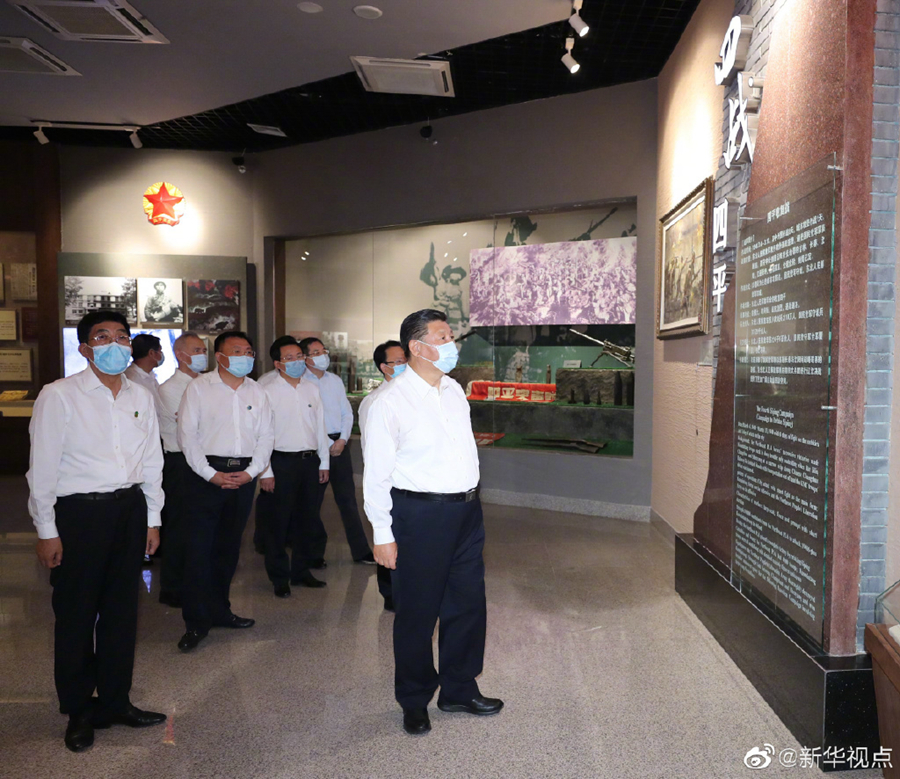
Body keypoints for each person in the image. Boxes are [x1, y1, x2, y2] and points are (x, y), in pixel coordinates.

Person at [27, 309, 166, 752]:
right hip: (79, 515)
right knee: (76, 615)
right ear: (85, 348)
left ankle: (115, 701)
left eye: (122, 336)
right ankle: (78, 710)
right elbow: (42, 468)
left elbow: (152, 460)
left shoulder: (140, 394)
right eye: (102, 337)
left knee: (122, 613)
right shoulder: (59, 395)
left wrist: (153, 518)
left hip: (129, 510)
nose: (115, 344)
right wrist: (46, 529)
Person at [363, 309, 502, 736]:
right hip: (420, 516)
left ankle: (459, 688)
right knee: (417, 613)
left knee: (467, 605)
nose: (451, 344)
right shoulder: (388, 402)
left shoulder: (453, 390)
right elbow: (375, 476)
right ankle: (414, 698)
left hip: (466, 513)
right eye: (442, 337)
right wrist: (382, 534)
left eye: (450, 335)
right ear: (417, 347)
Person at [176, 330, 274, 652]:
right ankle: (196, 621)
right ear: (219, 357)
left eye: (249, 351)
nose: (245, 356)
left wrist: (251, 472)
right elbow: (187, 436)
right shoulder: (199, 388)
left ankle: (220, 610)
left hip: (243, 476)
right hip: (205, 475)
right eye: (237, 351)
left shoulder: (257, 391)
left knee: (228, 548)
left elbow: (266, 436)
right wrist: (210, 474)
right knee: (198, 550)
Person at [256, 336, 332, 596]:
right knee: (278, 523)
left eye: (300, 356)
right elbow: (262, 433)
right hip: (281, 462)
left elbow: (320, 427)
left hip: (309, 462)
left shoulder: (311, 388)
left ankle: (301, 572)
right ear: (278, 364)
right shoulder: (266, 390)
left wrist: (324, 462)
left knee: (307, 519)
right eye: (290, 358)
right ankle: (279, 577)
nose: (297, 361)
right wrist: (265, 471)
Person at [299, 336, 375, 565]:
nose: (323, 356)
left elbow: (346, 413)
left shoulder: (334, 380)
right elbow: (307, 419)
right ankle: (313, 554)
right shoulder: (301, 382)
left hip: (339, 447)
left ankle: (361, 551)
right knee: (311, 504)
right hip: (314, 447)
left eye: (323, 351)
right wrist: (324, 443)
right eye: (316, 352)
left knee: (348, 501)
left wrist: (342, 440)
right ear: (305, 358)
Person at [156, 331, 208, 608]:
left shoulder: (206, 383)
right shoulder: (170, 388)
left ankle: (195, 581)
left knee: (199, 525)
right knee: (178, 526)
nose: (202, 355)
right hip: (180, 462)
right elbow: (195, 426)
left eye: (204, 350)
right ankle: (172, 587)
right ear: (180, 355)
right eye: (197, 350)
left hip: (203, 461)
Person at [358, 340, 407, 612]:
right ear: (384, 367)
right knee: (389, 538)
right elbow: (373, 453)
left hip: (413, 488)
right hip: (390, 485)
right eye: (397, 362)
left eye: (405, 360)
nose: (403, 366)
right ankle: (390, 595)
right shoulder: (376, 402)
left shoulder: (412, 396)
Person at [124, 333, 164, 411]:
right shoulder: (131, 380)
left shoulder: (150, 375)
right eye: (160, 351)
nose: (161, 354)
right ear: (152, 353)